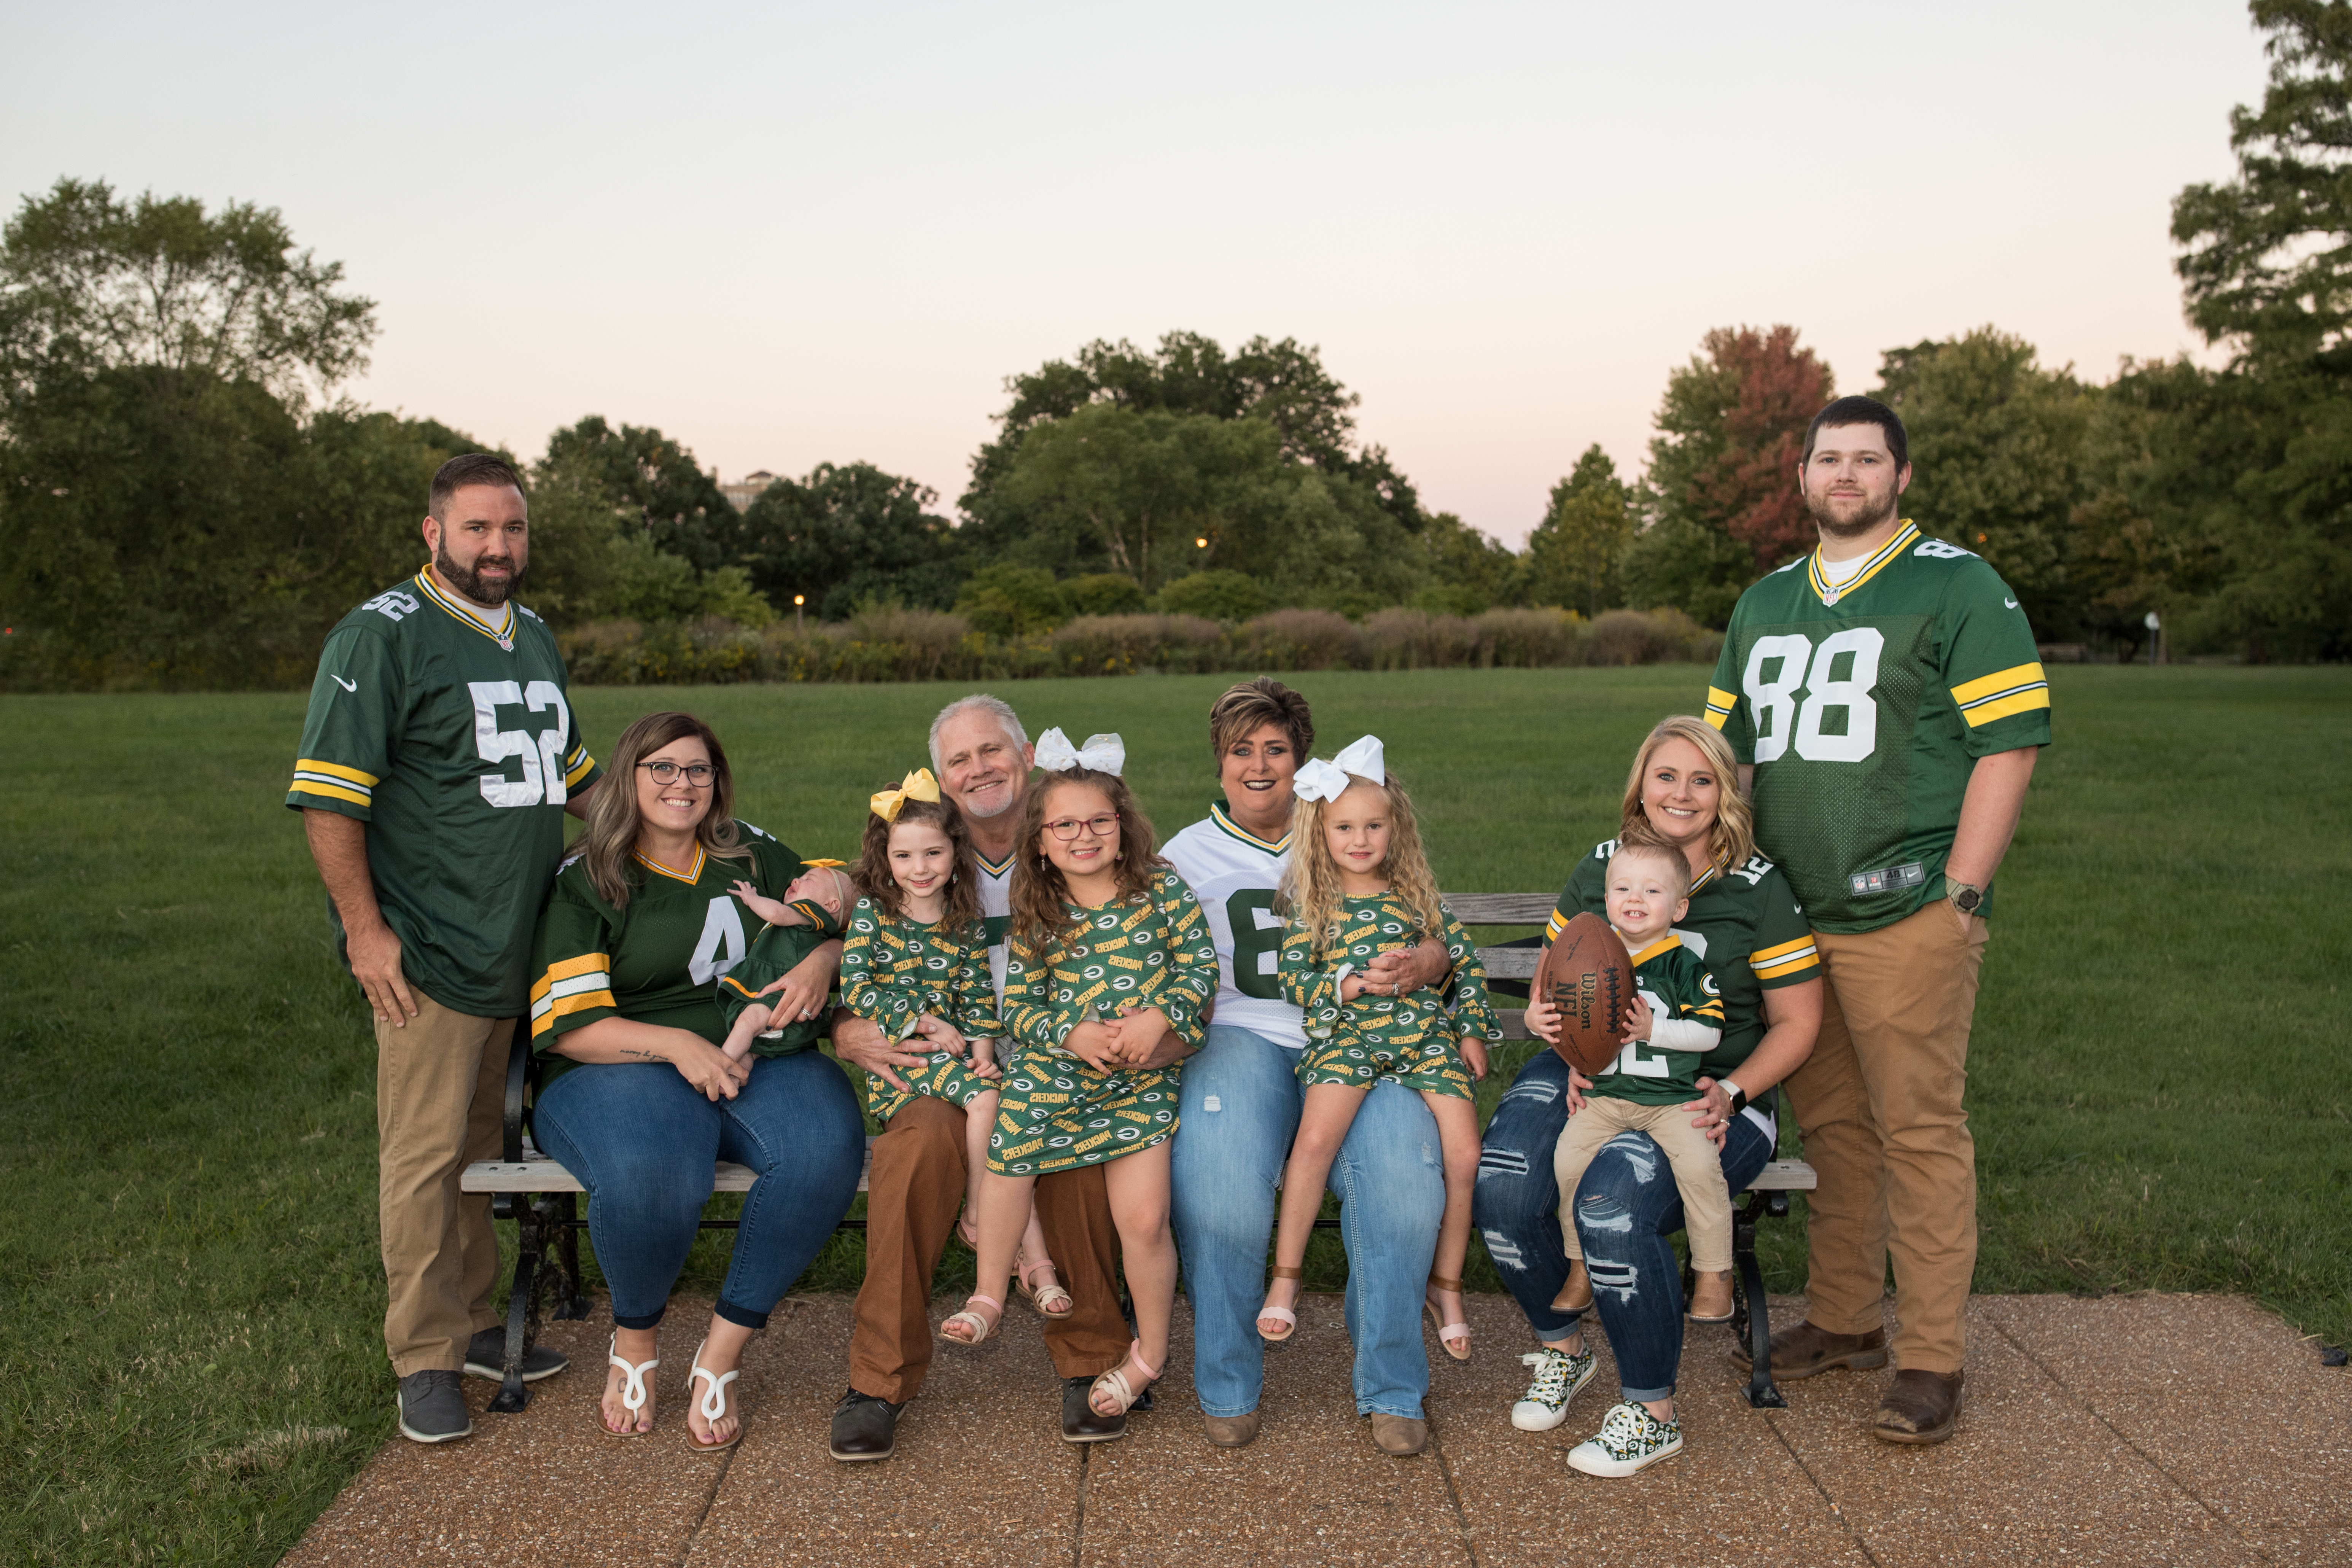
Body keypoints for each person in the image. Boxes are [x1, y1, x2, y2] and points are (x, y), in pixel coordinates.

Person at [1708, 394, 2049, 1446]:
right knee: (1838, 1131)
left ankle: (1931, 1354)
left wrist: (1959, 887)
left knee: (1918, 1132)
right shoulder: (1764, 602)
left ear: (1899, 477)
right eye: (1826, 459)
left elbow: (2008, 743)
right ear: (1800, 480)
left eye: (1865, 459)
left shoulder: (1954, 582)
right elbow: (1728, 763)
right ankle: (1849, 1318)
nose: (1843, 476)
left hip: (1902, 905)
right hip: (1792, 918)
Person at [288, 452, 603, 1445]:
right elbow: (332, 795)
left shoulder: (533, 635)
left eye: (511, 529)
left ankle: (474, 1320)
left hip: (517, 943)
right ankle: (423, 1355)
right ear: (434, 534)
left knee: (480, 1147)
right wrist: (367, 930)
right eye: (476, 530)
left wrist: (679, 841)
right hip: (427, 944)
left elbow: (577, 774)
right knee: (423, 1157)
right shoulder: (381, 634)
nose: (497, 547)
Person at [1473, 715, 1821, 1476]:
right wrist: (1564, 1037)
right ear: (1640, 784)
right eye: (1666, 775)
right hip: (1594, 1070)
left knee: (1611, 1203)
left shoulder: (1756, 886)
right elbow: (1554, 977)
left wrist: (1733, 1090)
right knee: (1502, 1178)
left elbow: (1799, 1023)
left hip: (1705, 1089)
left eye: (1702, 778)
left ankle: (1652, 1408)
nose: (1682, 793)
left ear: (1725, 792)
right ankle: (1564, 1347)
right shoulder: (1605, 863)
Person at [827, 696, 1157, 1462]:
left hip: (1061, 1056)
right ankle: (879, 1378)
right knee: (913, 1154)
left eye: (992, 749)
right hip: (950, 1068)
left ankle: (1091, 1358)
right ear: (940, 783)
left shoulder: (1074, 839)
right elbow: (843, 924)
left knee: (1070, 1141)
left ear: (1028, 754)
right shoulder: (924, 852)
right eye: (958, 759)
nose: (978, 768)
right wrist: (845, 1025)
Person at [526, 711, 865, 1450]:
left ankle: (722, 1350)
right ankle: (638, 1338)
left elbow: (848, 906)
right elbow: (574, 1025)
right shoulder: (588, 875)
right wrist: (680, 1043)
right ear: (628, 776)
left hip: (759, 1050)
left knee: (822, 1146)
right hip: (617, 1059)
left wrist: (825, 956)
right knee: (653, 1170)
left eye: (697, 769)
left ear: (717, 782)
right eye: (662, 767)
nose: (682, 782)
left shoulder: (749, 851)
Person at [1163, 678, 1461, 1457]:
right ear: (1218, 762)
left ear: (1304, 761)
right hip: (1243, 1035)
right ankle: (1227, 1377)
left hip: (1373, 1031)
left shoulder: (1350, 826)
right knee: (1222, 1188)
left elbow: (1431, 931)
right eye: (1241, 749)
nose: (1259, 764)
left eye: (1277, 748)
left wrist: (1430, 964)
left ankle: (1392, 1381)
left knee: (1403, 1180)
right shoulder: (1182, 853)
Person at [943, 730, 1214, 1422]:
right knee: (1010, 1158)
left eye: (1098, 820)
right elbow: (1022, 1007)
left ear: (1123, 829)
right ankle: (989, 1296)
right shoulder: (1042, 910)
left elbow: (1201, 970)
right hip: (1057, 1073)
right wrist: (1069, 1031)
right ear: (1040, 840)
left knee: (1146, 1221)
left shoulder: (1161, 890)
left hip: (1139, 1080)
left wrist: (1161, 1016)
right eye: (1064, 824)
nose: (1082, 834)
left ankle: (1149, 1353)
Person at [1256, 736, 1499, 1366]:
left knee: (1466, 1155)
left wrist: (1469, 1029)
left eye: (1373, 825)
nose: (1359, 839)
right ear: (1320, 831)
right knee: (1313, 1145)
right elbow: (1293, 978)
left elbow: (1464, 965)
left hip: (1423, 1040)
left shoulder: (1416, 897)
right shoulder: (1314, 904)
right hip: (1349, 1038)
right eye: (1344, 827)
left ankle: (1445, 1286)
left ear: (1396, 827)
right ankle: (1286, 1273)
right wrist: (1351, 983)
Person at [821, 769, 1065, 1297]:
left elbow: (978, 1001)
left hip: (951, 1056)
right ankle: (979, 1211)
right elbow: (856, 988)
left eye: (932, 853)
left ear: (956, 853)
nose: (919, 868)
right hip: (903, 1056)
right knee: (988, 1103)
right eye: (904, 856)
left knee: (995, 1099)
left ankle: (1036, 1260)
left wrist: (982, 1056)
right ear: (885, 859)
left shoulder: (963, 923)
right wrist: (923, 1021)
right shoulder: (875, 915)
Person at [1545, 839, 1734, 1334]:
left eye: (1651, 890)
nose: (1634, 898)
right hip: (1605, 1097)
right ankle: (1579, 1265)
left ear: (1678, 906)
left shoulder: (1682, 963)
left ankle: (1713, 1272)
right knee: (1567, 1160)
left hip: (1670, 1100)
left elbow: (1710, 1031)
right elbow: (1562, 1013)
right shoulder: (1590, 958)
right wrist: (1547, 1026)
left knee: (1699, 1165)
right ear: (1605, 898)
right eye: (1622, 888)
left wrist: (1656, 1031)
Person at [715, 862, 855, 1060]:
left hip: (780, 992)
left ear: (831, 905)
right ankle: (733, 1080)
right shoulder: (811, 926)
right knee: (752, 1050)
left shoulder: (813, 912)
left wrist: (751, 898)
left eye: (809, 879)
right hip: (786, 1003)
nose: (797, 879)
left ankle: (721, 1065)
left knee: (748, 1022)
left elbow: (776, 913)